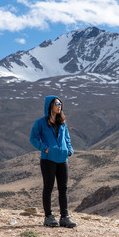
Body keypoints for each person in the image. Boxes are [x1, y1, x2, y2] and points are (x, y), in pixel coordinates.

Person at [30, 95, 77, 228]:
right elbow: (33, 138)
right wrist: (44, 148)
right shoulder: (41, 122)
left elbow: (67, 137)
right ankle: (48, 216)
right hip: (48, 160)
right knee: (48, 188)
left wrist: (69, 149)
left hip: (63, 159)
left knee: (63, 188)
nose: (59, 106)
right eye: (57, 103)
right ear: (50, 105)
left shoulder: (62, 122)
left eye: (60, 103)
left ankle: (64, 217)